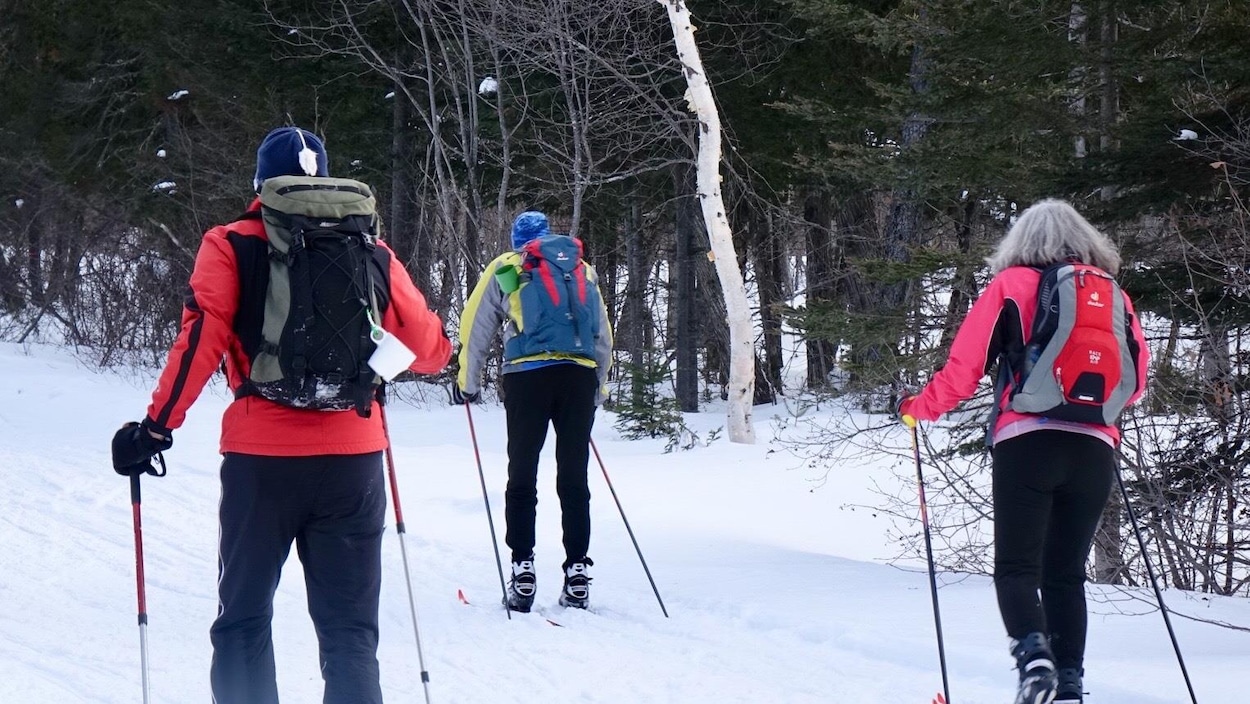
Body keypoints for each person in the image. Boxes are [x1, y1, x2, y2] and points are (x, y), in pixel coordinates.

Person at [110, 125, 451, 704]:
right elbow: (426, 349)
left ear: (260, 183)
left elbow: (202, 340)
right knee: (349, 633)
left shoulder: (231, 241)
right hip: (354, 459)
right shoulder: (369, 246)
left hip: (261, 461)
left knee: (243, 621)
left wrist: (156, 428)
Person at [896, 199, 1148, 704]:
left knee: (1016, 568)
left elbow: (964, 370)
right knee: (1065, 573)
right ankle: (1070, 685)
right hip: (1094, 450)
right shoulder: (1113, 295)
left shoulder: (1010, 286)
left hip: (1027, 442)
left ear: (1021, 242)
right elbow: (1136, 385)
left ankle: (1034, 664)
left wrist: (918, 408)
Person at [455, 211, 613, 612]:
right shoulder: (580, 269)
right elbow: (601, 332)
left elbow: (476, 326)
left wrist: (467, 382)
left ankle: (523, 571)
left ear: (516, 240)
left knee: (522, 473)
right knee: (574, 477)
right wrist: (599, 383)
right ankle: (577, 573)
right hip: (578, 377)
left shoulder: (508, 266)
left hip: (528, 378)